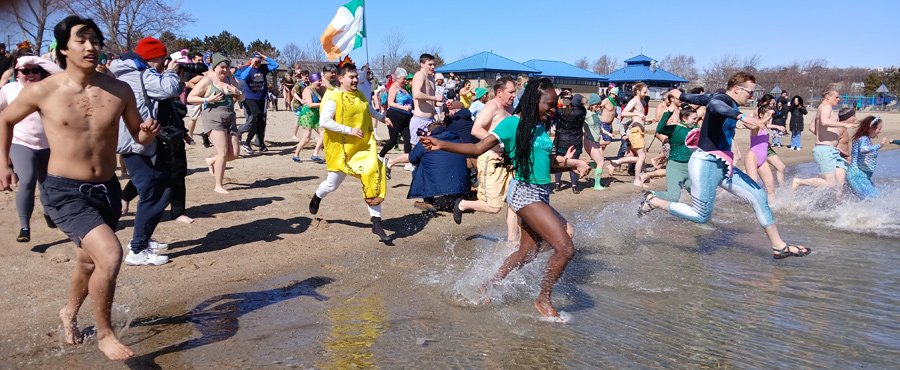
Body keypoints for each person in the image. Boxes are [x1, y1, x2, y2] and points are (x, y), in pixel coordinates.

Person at [0, 16, 159, 360]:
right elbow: (5, 119)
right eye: (81, 40)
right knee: (111, 255)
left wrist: (148, 132)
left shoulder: (118, 90)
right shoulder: (44, 90)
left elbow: (138, 136)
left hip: (106, 189)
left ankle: (69, 314)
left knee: (88, 262)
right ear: (63, 49)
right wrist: (5, 164)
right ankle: (105, 334)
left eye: (95, 40)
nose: (90, 47)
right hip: (64, 190)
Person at [420, 77, 591, 322]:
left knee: (527, 252)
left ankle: (489, 283)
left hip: (542, 193)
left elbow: (545, 164)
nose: (554, 109)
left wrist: (572, 163)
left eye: (555, 104)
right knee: (565, 247)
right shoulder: (512, 124)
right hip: (525, 194)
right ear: (534, 101)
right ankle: (543, 298)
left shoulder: (541, 127)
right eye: (549, 104)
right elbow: (478, 148)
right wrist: (441, 144)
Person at [640, 72, 811, 260]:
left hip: (723, 164)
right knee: (701, 216)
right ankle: (654, 202)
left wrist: (680, 95)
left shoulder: (720, 98)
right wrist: (741, 117)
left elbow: (700, 98)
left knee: (758, 195)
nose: (752, 96)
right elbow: (714, 105)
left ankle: (779, 246)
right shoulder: (722, 100)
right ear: (737, 89)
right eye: (750, 92)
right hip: (705, 163)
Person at [110, 37, 182, 266]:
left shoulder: (130, 72)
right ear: (155, 58)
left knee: (162, 186)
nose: (164, 62)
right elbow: (171, 88)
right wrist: (171, 71)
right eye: (163, 59)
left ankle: (143, 240)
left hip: (142, 141)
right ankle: (137, 249)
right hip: (136, 143)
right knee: (153, 193)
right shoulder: (140, 74)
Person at [309, 62, 393, 243]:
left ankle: (376, 222)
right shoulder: (333, 97)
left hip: (363, 146)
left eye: (356, 77)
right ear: (340, 79)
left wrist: (382, 118)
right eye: (351, 77)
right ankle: (317, 196)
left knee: (373, 171)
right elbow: (325, 121)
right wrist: (349, 130)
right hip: (342, 149)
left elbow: (367, 108)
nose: (356, 80)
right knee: (332, 185)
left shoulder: (360, 94)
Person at [0, 56, 62, 242]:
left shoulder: (49, 87)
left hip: (49, 145)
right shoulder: (9, 90)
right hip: (21, 143)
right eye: (25, 71)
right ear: (16, 73)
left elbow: (64, 76)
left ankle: (49, 213)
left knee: (48, 184)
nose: (31, 74)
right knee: (27, 180)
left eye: (35, 70)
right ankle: (25, 226)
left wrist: (35, 59)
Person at [455, 76, 520, 246]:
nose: (514, 95)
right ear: (499, 92)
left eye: (515, 91)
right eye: (511, 92)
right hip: (491, 159)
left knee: (514, 202)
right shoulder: (492, 106)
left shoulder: (512, 109)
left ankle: (512, 241)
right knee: (494, 207)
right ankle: (462, 204)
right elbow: (476, 130)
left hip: (508, 162)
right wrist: (497, 144)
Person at [187, 53, 243, 194]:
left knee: (235, 153)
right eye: (222, 67)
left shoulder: (230, 79)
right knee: (223, 152)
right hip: (213, 117)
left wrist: (237, 92)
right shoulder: (207, 80)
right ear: (215, 67)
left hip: (230, 116)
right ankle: (218, 185)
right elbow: (190, 97)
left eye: (227, 67)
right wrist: (208, 100)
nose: (225, 70)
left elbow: (242, 97)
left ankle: (212, 160)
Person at [791, 92, 858, 196]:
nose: (838, 99)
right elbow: (824, 122)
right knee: (830, 183)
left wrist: (827, 137)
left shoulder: (821, 108)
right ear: (828, 97)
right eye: (836, 97)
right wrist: (844, 124)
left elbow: (812, 128)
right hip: (825, 150)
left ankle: (837, 205)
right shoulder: (826, 107)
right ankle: (799, 181)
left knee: (839, 182)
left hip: (831, 150)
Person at [650, 107, 699, 201]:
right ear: (684, 118)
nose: (696, 121)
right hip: (675, 167)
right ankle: (651, 195)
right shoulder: (675, 128)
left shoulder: (696, 130)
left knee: (697, 195)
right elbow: (659, 129)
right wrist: (667, 114)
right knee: (673, 197)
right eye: (694, 118)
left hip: (690, 167)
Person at [235, 51, 278, 154]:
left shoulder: (263, 68)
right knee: (257, 116)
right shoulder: (246, 69)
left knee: (261, 121)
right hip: (249, 97)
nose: (258, 63)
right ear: (252, 60)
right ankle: (247, 142)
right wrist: (251, 65)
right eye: (256, 60)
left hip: (262, 97)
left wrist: (264, 57)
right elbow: (243, 77)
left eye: (259, 61)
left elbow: (276, 65)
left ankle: (261, 144)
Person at [846, 116, 886, 199]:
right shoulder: (863, 138)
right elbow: (863, 150)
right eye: (879, 129)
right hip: (857, 175)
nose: (879, 131)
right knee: (874, 199)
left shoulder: (864, 139)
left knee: (871, 200)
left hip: (862, 176)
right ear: (871, 128)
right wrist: (879, 145)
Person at [553, 92, 587, 193]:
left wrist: (559, 96)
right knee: (574, 163)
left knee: (560, 163)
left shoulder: (562, 112)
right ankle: (574, 186)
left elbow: (555, 109)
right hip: (575, 141)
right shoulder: (582, 111)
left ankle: (557, 184)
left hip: (561, 140)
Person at [379, 67, 414, 164]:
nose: (405, 80)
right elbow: (390, 102)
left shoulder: (404, 88)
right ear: (398, 78)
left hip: (406, 117)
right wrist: (403, 107)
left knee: (408, 139)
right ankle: (380, 155)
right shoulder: (393, 87)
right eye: (404, 78)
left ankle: (408, 162)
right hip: (394, 116)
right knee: (393, 140)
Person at [291, 72, 326, 163]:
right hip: (307, 114)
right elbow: (310, 104)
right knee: (306, 137)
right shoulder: (308, 90)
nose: (320, 82)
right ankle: (296, 154)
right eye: (319, 81)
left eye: (321, 81)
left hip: (316, 114)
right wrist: (323, 104)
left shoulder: (320, 89)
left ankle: (315, 154)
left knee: (323, 133)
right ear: (313, 81)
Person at [409, 54, 443, 148]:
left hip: (431, 120)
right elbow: (416, 94)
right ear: (422, 64)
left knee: (430, 151)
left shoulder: (431, 79)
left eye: (433, 65)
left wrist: (440, 104)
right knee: (417, 152)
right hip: (420, 120)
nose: (432, 67)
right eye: (430, 64)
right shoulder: (419, 75)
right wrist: (435, 98)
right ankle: (391, 161)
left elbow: (430, 101)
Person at [583, 93, 612, 190]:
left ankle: (584, 165)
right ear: (591, 104)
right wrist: (583, 132)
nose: (599, 106)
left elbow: (599, 128)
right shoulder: (586, 113)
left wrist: (608, 134)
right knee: (600, 163)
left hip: (597, 142)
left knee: (598, 162)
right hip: (589, 141)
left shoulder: (596, 114)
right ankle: (597, 185)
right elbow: (578, 121)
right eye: (597, 104)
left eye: (600, 104)